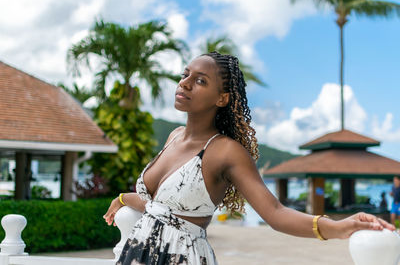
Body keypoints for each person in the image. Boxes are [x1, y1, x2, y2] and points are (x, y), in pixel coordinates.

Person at [104, 52, 394, 265]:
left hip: (178, 258)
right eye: (185, 75)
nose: (185, 83)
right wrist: (124, 198)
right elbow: (161, 208)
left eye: (200, 80)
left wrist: (342, 227)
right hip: (135, 254)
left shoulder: (224, 151)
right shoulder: (174, 136)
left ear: (222, 98)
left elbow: (276, 214)